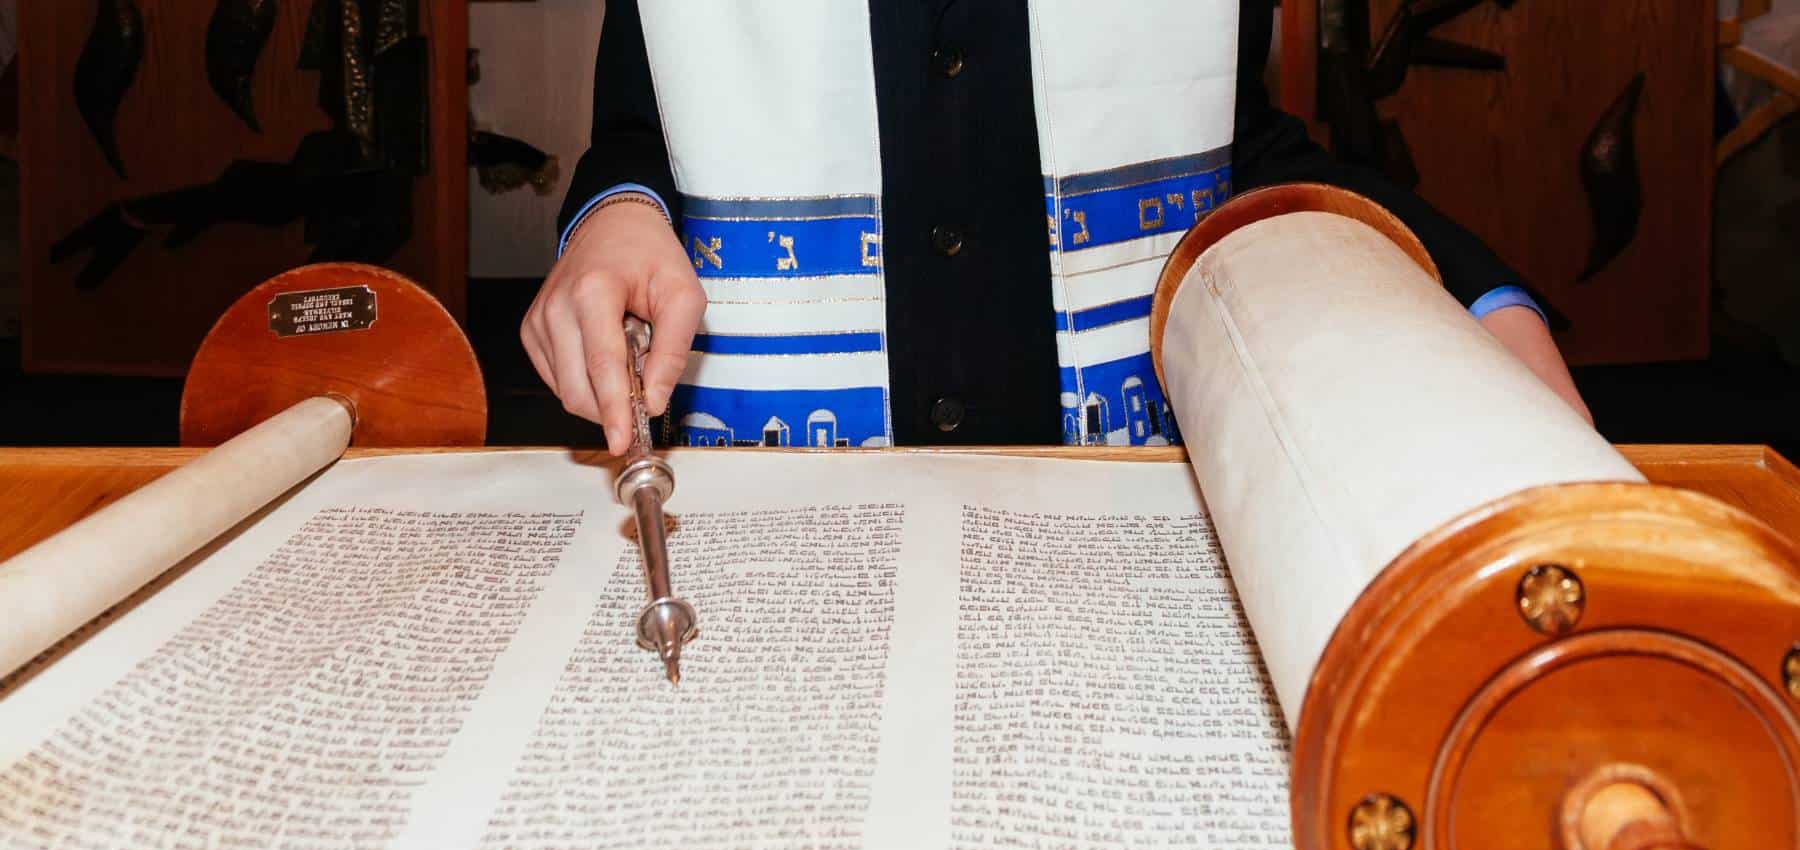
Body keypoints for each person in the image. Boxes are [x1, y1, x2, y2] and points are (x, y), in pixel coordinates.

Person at [522, 0, 1591, 456]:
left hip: (1103, 497)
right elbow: (640, 134)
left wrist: (1474, 295)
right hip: (780, 504)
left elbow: (1231, 140)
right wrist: (614, 215)